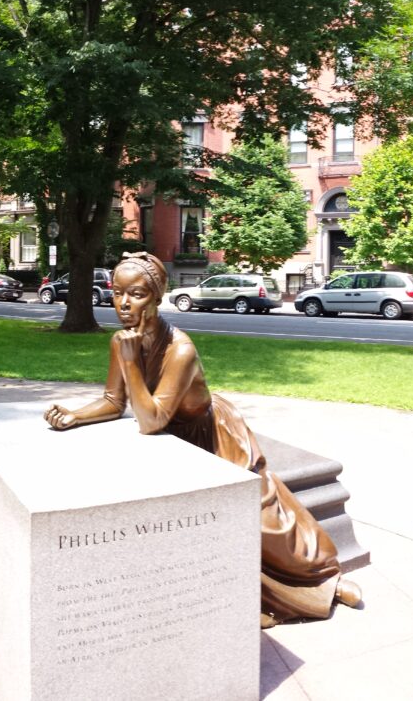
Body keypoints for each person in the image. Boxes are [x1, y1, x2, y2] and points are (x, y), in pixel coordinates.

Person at [43, 252, 361, 628]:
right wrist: (75, 415)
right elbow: (115, 401)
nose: (124, 303)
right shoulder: (123, 341)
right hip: (171, 440)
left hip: (212, 437)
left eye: (138, 294)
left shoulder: (180, 349)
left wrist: (130, 363)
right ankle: (239, 596)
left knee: (265, 522)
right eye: (117, 293)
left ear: (157, 296)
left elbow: (150, 420)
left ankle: (324, 578)